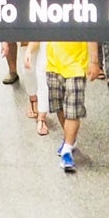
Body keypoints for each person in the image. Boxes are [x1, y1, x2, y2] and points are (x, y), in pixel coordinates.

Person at [15, 0, 54, 134]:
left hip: (46, 26)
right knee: (27, 69)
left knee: (43, 71)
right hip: (26, 27)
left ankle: (42, 115)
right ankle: (33, 98)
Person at [44, 33, 91, 173]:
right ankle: (69, 138)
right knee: (59, 107)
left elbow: (93, 31)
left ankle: (67, 150)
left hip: (76, 67)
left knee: (73, 110)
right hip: (53, 65)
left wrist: (94, 62)